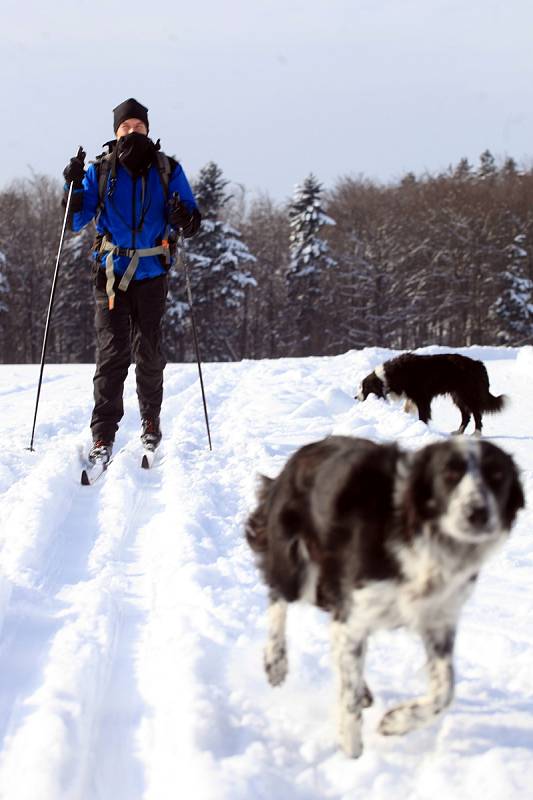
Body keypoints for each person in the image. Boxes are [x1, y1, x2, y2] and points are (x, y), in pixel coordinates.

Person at [63, 98, 201, 464]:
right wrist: (73, 185)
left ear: (148, 130)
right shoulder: (101, 171)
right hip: (109, 275)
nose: (132, 133)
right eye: (125, 128)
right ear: (115, 133)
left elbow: (192, 221)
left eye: (138, 128)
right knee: (112, 355)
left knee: (150, 351)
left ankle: (150, 421)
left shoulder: (168, 169)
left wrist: (182, 215)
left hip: (153, 274)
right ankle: (103, 435)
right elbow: (76, 220)